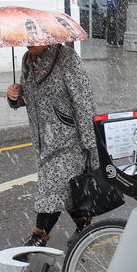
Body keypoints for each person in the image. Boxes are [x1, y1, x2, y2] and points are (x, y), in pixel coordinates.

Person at [7, 43, 99, 246]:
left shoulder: (67, 57)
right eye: (27, 40)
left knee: (51, 187)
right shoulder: (27, 59)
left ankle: (38, 238)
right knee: (66, 186)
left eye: (34, 40)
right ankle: (85, 226)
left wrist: (90, 143)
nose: (29, 44)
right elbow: (30, 96)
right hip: (43, 140)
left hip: (69, 138)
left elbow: (83, 101)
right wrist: (14, 96)